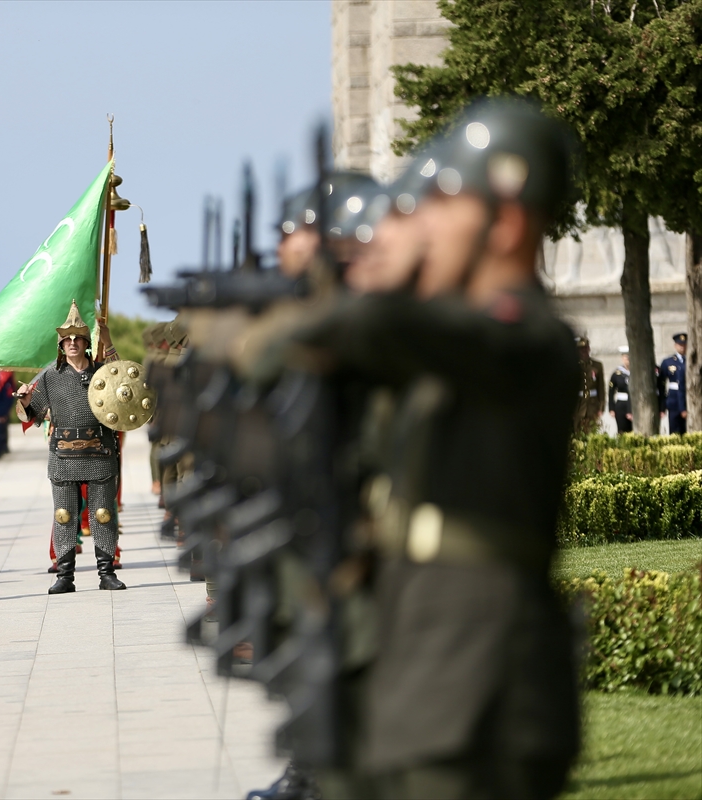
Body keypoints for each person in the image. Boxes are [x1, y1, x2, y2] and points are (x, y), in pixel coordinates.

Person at [292, 98, 582, 799]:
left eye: (443, 204)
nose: (421, 222)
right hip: (426, 659)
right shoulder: (442, 336)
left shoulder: (525, 338)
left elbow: (386, 328)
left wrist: (361, 278)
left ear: (507, 220)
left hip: (481, 682)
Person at [16, 301, 125, 594]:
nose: (72, 343)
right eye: (67, 339)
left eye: (78, 339)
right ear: (61, 344)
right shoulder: (51, 375)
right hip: (63, 454)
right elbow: (32, 414)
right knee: (64, 514)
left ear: (86, 343)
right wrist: (25, 402)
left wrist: (109, 341)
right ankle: (65, 576)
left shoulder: (102, 372)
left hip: (99, 452)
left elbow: (125, 389)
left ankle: (106, 573)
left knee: (103, 513)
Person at [575, 336, 605, 434]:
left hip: (592, 405)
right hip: (577, 405)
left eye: (586, 348)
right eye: (581, 349)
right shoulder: (572, 365)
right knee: (577, 433)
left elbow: (601, 388)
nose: (584, 351)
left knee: (592, 432)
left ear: (589, 348)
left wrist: (601, 407)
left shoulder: (597, 365)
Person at [660, 332, 688, 435]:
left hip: (688, 398)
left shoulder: (690, 360)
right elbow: (661, 384)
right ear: (675, 345)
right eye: (680, 345)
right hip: (673, 400)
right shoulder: (668, 362)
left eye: (684, 344)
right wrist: (662, 406)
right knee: (674, 429)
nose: (682, 347)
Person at [609, 345, 634, 433]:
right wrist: (611, 408)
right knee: (622, 430)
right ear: (622, 358)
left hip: (634, 404)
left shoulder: (636, 373)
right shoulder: (617, 374)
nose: (628, 359)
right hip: (621, 405)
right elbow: (611, 392)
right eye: (626, 357)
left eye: (630, 356)